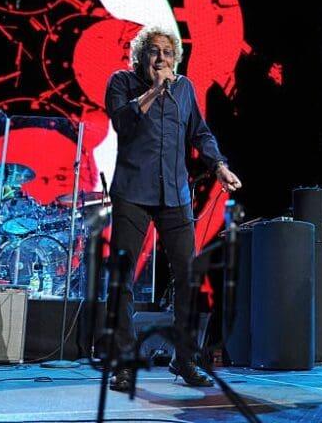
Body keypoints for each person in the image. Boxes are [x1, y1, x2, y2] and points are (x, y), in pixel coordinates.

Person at [104, 25, 242, 392]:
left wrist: (219, 166)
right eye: (154, 51)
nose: (161, 58)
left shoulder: (184, 88)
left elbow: (200, 133)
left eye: (167, 52)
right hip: (133, 191)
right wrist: (153, 91)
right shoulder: (121, 82)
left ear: (176, 57)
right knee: (122, 278)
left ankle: (184, 358)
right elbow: (122, 123)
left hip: (174, 195)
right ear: (141, 56)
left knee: (188, 275)